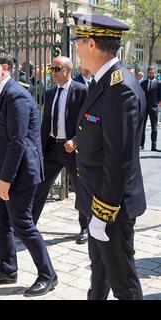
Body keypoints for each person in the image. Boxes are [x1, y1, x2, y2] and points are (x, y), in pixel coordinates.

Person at [72, 13, 146, 300]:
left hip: (111, 208)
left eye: (79, 42)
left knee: (124, 284)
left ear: (91, 44)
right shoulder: (103, 84)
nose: (76, 49)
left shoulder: (120, 89)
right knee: (100, 274)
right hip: (97, 201)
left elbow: (119, 161)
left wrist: (102, 215)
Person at [0, 47, 57, 297]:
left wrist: (5, 179)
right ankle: (7, 268)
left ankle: (48, 275)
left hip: (19, 174)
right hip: (1, 169)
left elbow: (18, 141)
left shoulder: (16, 95)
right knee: (0, 224)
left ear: (5, 68)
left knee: (23, 225)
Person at [31, 56, 89, 244]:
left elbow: (89, 121)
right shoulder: (50, 93)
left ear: (68, 70)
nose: (53, 73)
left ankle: (85, 227)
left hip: (73, 149)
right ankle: (29, 226)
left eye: (57, 69)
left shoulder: (82, 91)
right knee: (40, 186)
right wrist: (40, 147)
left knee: (81, 189)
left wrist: (77, 140)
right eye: (51, 69)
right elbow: (46, 122)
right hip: (53, 148)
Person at [140, 66, 161, 151]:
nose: (151, 74)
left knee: (154, 128)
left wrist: (157, 104)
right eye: (149, 73)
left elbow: (160, 96)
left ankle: (154, 146)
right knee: (142, 127)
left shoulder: (159, 84)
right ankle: (141, 145)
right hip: (144, 108)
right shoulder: (143, 83)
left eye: (152, 73)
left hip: (154, 108)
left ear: (155, 73)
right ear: (147, 73)